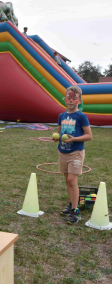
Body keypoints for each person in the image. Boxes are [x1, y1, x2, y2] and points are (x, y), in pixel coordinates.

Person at [53, 87, 92, 224]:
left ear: (79, 100)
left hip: (76, 152)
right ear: (64, 99)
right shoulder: (61, 116)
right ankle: (72, 204)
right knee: (67, 181)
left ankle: (76, 211)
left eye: (74, 98)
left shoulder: (81, 116)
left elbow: (89, 135)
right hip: (63, 152)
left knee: (71, 181)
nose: (70, 101)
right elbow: (59, 133)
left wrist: (73, 139)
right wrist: (57, 138)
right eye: (68, 98)